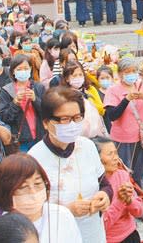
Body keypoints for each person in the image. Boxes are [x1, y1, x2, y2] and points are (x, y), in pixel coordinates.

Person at [29, 86, 110, 242]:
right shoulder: (34, 159)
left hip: (92, 233)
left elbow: (104, 184)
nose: (72, 125)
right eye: (65, 119)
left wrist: (105, 195)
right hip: (57, 235)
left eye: (77, 117)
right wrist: (66, 211)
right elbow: (30, 210)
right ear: (46, 123)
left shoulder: (87, 146)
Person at [0, 153, 82, 243]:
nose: (33, 192)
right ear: (6, 191)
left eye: (37, 184)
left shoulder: (62, 215)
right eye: (23, 187)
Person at [104, 57, 143, 188]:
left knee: (138, 175)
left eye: (134, 71)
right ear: (120, 74)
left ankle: (139, 202)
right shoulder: (113, 90)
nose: (131, 74)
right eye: (128, 72)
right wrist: (126, 99)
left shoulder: (142, 86)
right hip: (123, 139)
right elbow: (112, 116)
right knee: (123, 174)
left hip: (141, 138)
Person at [93, 137, 143, 243]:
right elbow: (102, 226)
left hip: (130, 234)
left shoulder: (122, 175)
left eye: (116, 153)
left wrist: (129, 201)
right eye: (110, 154)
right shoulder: (92, 186)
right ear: (96, 159)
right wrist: (120, 201)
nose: (116, 158)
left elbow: (139, 211)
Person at [0, 54, 45, 152]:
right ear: (13, 72)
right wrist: (15, 103)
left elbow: (46, 111)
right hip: (21, 140)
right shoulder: (7, 90)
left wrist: (35, 99)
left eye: (25, 68)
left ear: (30, 69)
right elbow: (4, 117)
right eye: (19, 69)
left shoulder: (38, 87)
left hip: (39, 136)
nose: (23, 71)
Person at [62, 62, 106, 138]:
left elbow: (102, 110)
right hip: (78, 134)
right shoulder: (65, 95)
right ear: (67, 79)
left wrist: (90, 101)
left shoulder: (90, 89)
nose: (78, 78)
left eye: (80, 74)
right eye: (74, 75)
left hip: (96, 131)